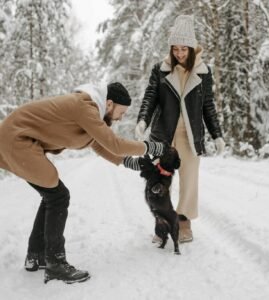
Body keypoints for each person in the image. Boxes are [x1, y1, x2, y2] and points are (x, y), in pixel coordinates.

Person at [0, 82, 165, 284]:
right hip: (16, 140)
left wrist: (127, 161)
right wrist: (151, 147)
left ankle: (36, 256)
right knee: (58, 196)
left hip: (15, 140)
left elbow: (97, 143)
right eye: (121, 112)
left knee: (52, 195)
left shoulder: (89, 110)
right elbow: (114, 143)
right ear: (110, 104)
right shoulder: (84, 107)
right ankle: (55, 264)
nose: (121, 117)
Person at [135, 15, 225, 244]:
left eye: (184, 49)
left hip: (190, 136)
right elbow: (150, 98)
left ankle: (184, 222)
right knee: (158, 183)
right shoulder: (161, 70)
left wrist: (217, 134)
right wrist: (142, 120)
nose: (179, 54)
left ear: (192, 48)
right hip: (163, 136)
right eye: (175, 49)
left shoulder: (203, 73)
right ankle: (162, 224)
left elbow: (208, 105)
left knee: (189, 181)